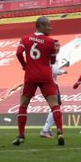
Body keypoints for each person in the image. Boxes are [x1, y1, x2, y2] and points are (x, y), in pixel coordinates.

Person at [13, 16, 64, 146]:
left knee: (23, 104)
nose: (51, 28)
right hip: (46, 76)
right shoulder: (50, 42)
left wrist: (24, 65)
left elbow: (18, 53)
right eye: (48, 25)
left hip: (30, 76)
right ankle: (60, 131)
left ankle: (21, 135)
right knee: (54, 105)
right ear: (40, 26)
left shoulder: (24, 39)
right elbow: (52, 61)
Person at [40, 40, 67, 138]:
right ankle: (45, 130)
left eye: (59, 45)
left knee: (53, 107)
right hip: (52, 84)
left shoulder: (46, 56)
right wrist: (62, 71)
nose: (58, 47)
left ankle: (48, 129)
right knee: (56, 107)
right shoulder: (52, 56)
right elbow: (55, 71)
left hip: (45, 84)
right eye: (56, 45)